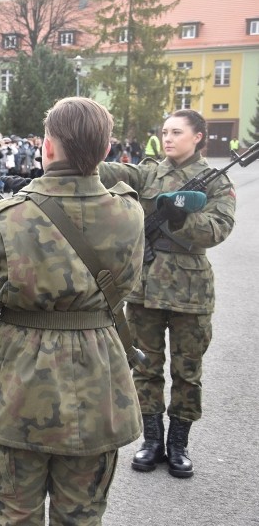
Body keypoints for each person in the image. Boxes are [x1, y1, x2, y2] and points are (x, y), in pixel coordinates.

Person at [0, 97, 145, 524]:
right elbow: (123, 287)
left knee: (15, 514)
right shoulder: (129, 213)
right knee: (83, 515)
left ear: (47, 148)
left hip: (20, 387)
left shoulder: (8, 217)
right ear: (106, 151)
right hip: (99, 376)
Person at [98, 109, 236, 479]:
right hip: (144, 288)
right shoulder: (148, 173)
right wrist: (70, 159)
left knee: (187, 371)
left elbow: (220, 227)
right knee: (145, 367)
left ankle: (178, 445)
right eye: (165, 131)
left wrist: (182, 218)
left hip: (191, 291)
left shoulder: (215, 182)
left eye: (177, 132)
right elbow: (111, 173)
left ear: (199, 137)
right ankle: (151, 441)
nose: (169, 137)